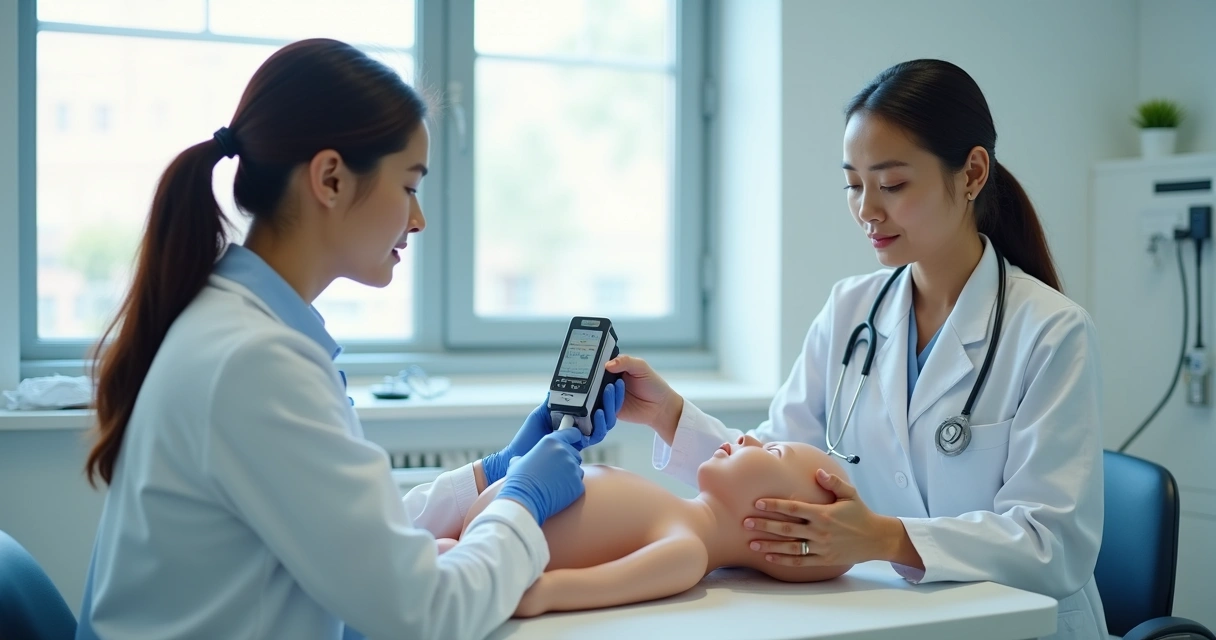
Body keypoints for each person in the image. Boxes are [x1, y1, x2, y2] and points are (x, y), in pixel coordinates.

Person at [75, 38, 625, 640]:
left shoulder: (233, 327)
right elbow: (426, 613)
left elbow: (349, 539)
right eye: (409, 186)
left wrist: (495, 472)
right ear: (331, 179)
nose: (418, 219)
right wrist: (523, 500)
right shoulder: (256, 362)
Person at [606, 59, 1107, 640]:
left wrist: (882, 537)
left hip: (1018, 627)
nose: (867, 209)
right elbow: (773, 464)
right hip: (886, 617)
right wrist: (669, 416)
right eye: (853, 184)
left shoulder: (1051, 332)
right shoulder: (851, 309)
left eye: (892, 185)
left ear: (972, 173)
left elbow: (1053, 545)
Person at [437, 436, 853, 618]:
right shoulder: (679, 513)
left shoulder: (689, 552)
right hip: (489, 545)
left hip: (500, 564)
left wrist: (542, 593)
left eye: (773, 451)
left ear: (783, 522)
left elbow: (606, 584)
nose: (749, 438)